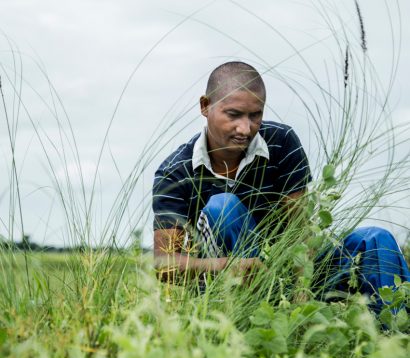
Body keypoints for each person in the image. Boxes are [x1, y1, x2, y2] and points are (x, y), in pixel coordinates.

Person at [152, 61, 409, 311]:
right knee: (223, 206)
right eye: (233, 115)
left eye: (255, 116)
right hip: (228, 286)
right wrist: (227, 265)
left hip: (290, 274)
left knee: (376, 239)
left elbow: (300, 231)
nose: (245, 128)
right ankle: (254, 311)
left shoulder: (282, 142)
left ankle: (393, 338)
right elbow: (164, 265)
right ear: (205, 106)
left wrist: (300, 297)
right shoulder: (175, 172)